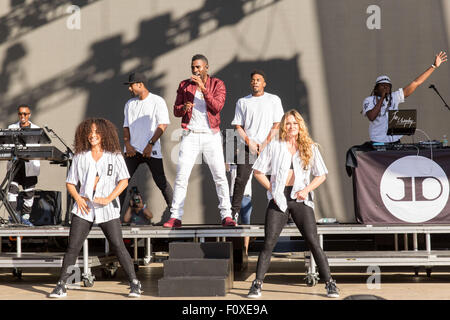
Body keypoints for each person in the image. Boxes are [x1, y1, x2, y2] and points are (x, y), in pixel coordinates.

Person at [247, 109, 339, 299]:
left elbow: (321, 175)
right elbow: (258, 171)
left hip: (300, 198)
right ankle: (257, 284)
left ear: (300, 126)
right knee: (269, 242)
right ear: (283, 126)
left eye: (295, 123)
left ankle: (330, 283)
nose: (291, 127)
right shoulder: (275, 145)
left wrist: (306, 190)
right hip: (279, 197)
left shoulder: (309, 147)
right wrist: (272, 190)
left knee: (313, 241)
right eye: (288, 123)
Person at [49, 118, 142, 298]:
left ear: (104, 134)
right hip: (84, 208)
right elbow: (70, 183)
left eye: (96, 132)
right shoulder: (80, 156)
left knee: (118, 245)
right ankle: (61, 285)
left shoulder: (114, 156)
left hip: (107, 208)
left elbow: (124, 181)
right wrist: (77, 197)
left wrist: (109, 198)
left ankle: (134, 283)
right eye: (90, 132)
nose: (93, 136)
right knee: (73, 247)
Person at [163, 54, 235, 228]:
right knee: (181, 176)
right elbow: (176, 111)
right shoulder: (184, 85)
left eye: (198, 67)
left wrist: (203, 89)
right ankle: (175, 217)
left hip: (211, 135)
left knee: (219, 176)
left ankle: (227, 215)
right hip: (191, 134)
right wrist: (184, 108)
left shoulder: (217, 84)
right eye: (193, 67)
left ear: (206, 67)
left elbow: (217, 107)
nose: (195, 70)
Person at [231, 70, 284, 222]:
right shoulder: (242, 102)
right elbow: (238, 126)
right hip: (248, 147)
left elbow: (277, 123)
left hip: (269, 147)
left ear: (264, 83)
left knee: (274, 179)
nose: (255, 82)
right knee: (240, 180)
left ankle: (283, 211)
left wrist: (265, 143)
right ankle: (233, 214)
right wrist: (250, 142)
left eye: (258, 80)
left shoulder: (273, 99)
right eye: (253, 80)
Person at [362, 51, 447, 143]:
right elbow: (371, 116)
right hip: (378, 142)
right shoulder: (369, 100)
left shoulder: (394, 97)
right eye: (382, 85)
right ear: (376, 89)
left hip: (395, 142)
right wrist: (382, 98)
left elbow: (415, 83)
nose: (386, 87)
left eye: (388, 86)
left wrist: (433, 66)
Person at [119, 72, 173, 213]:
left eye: (131, 86)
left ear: (140, 85)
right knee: (122, 183)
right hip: (133, 150)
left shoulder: (157, 101)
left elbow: (163, 125)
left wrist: (150, 144)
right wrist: (128, 145)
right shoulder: (129, 104)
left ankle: (176, 214)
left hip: (151, 149)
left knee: (161, 182)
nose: (130, 89)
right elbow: (126, 126)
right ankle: (113, 217)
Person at [7, 104, 40, 226]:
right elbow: (6, 144)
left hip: (30, 164)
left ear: (29, 115)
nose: (23, 116)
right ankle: (13, 216)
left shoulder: (36, 129)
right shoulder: (12, 128)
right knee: (12, 191)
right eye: (20, 114)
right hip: (15, 164)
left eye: (25, 114)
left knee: (29, 193)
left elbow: (38, 147)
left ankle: (25, 218)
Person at [227, 162, 252, 254]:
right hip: (233, 196)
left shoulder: (249, 162)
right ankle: (233, 250)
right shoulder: (232, 162)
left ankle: (245, 250)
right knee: (232, 223)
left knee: (246, 224)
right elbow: (225, 167)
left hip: (246, 196)